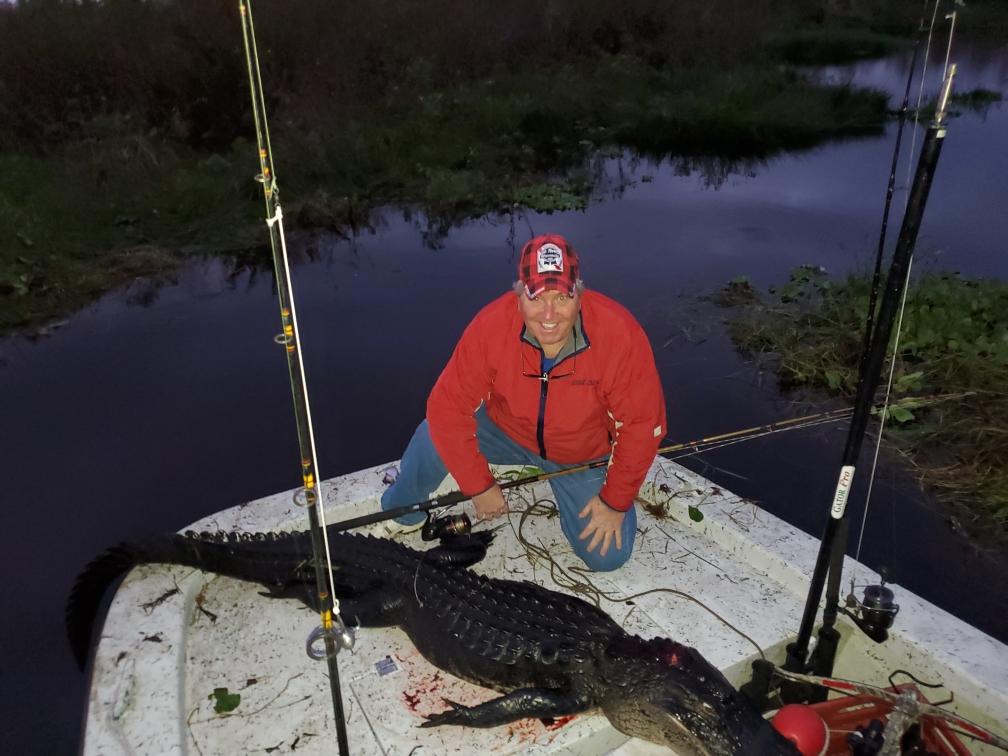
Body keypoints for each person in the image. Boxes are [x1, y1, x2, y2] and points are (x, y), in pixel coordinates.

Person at [381, 234, 666, 571]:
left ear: (580, 293)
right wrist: (479, 485)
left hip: (582, 455)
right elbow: (447, 407)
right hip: (508, 431)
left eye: (562, 296)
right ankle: (402, 508)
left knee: (608, 558)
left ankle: (577, 493)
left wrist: (615, 502)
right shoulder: (491, 326)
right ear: (518, 294)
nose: (550, 314)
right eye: (536, 296)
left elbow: (643, 425)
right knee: (434, 433)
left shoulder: (618, 333)